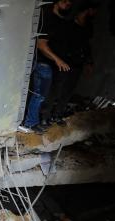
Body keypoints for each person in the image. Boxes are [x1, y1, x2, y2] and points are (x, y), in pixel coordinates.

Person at [20, 0, 72, 133]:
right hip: (44, 63)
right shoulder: (48, 19)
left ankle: (35, 121)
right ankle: (29, 123)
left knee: (43, 95)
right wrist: (58, 60)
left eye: (70, 2)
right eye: (65, 1)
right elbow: (41, 45)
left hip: (50, 65)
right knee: (39, 95)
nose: (68, 4)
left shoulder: (61, 21)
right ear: (56, 2)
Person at [42, 2, 96, 126]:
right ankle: (46, 116)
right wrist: (60, 59)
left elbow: (87, 46)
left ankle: (57, 115)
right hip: (65, 62)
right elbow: (60, 44)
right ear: (87, 10)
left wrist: (89, 61)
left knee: (67, 91)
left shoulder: (87, 28)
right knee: (56, 90)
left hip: (77, 63)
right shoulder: (68, 26)